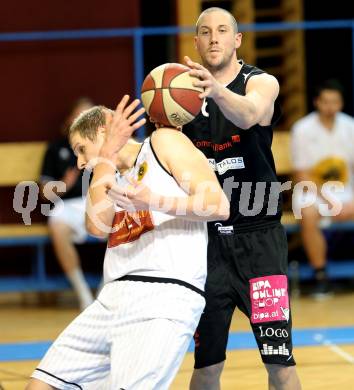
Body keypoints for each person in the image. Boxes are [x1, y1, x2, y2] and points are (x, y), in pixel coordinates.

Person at [27, 96, 230, 389]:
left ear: (104, 131)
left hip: (165, 294)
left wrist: (154, 201)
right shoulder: (108, 175)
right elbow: (97, 227)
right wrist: (106, 157)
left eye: (82, 150)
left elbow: (218, 206)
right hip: (112, 298)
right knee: (40, 385)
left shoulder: (162, 143)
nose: (81, 162)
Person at [181, 7, 302, 390]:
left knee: (279, 363)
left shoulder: (260, 82)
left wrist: (217, 91)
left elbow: (251, 114)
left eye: (222, 31)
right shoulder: (181, 96)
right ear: (196, 42)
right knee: (206, 367)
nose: (213, 37)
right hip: (207, 247)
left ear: (237, 40)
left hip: (260, 244)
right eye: (205, 32)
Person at [291, 79, 354, 298]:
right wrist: (331, 202)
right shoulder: (302, 129)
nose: (330, 107)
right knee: (307, 212)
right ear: (317, 102)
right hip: (313, 190)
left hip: (346, 189)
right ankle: (321, 275)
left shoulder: (350, 126)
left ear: (341, 103)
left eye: (335, 101)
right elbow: (301, 175)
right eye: (325, 101)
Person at [40, 97, 95, 310]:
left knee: (126, 222)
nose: (83, 120)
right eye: (79, 115)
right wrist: (64, 184)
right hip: (68, 206)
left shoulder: (104, 148)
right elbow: (45, 194)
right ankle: (83, 294)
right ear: (70, 119)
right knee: (56, 224)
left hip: (100, 203)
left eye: (89, 116)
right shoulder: (56, 148)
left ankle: (105, 292)